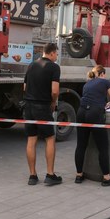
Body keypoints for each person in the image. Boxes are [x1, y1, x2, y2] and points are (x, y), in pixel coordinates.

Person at [74, 65, 110, 186]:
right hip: (94, 115)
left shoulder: (87, 84)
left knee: (81, 145)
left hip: (81, 113)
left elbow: (92, 99)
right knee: (103, 147)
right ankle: (107, 178)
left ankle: (79, 175)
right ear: (102, 74)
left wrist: (103, 104)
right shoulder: (105, 81)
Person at [23, 42, 62, 186]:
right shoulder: (54, 67)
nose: (56, 57)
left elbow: (25, 87)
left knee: (31, 140)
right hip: (43, 106)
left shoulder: (32, 65)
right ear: (52, 53)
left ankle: (32, 176)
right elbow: (55, 91)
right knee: (50, 139)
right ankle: (50, 175)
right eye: (56, 54)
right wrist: (53, 102)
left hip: (29, 106)